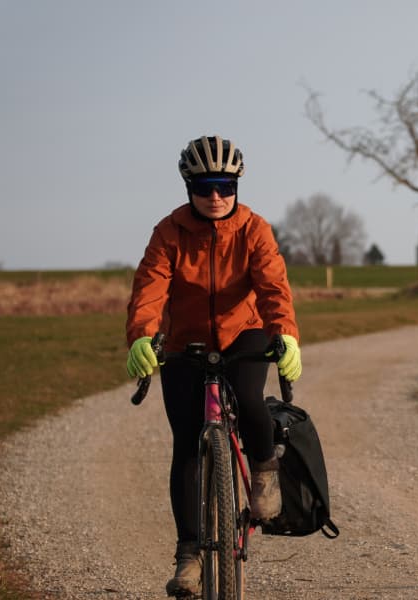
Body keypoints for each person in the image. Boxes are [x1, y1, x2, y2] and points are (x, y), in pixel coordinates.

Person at [125, 135, 302, 597]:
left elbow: (273, 288)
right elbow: (150, 288)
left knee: (248, 400)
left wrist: (285, 334)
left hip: (244, 331)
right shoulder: (169, 232)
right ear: (189, 187)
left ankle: (263, 473)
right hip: (185, 341)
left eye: (224, 185)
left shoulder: (254, 229)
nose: (216, 196)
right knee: (186, 442)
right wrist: (142, 336)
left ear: (237, 185)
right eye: (206, 186)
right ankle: (189, 556)